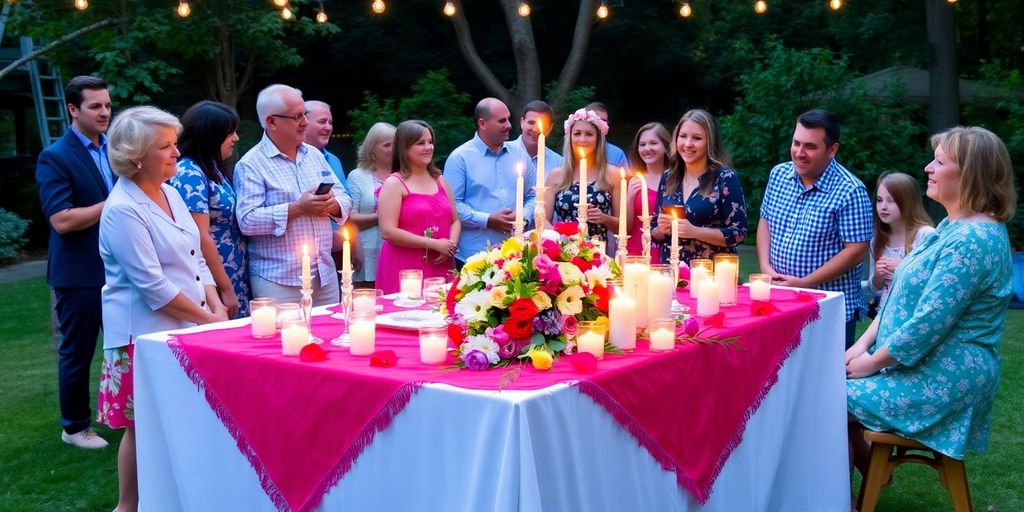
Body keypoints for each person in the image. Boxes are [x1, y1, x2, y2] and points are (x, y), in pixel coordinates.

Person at [846, 126, 1016, 475]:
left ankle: (834, 497)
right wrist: (859, 347)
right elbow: (898, 298)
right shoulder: (952, 228)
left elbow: (929, 322)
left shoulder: (972, 240)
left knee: (823, 398)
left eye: (939, 162)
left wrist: (871, 362)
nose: (928, 168)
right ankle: (865, 481)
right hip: (918, 367)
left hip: (939, 380)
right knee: (824, 391)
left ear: (969, 174)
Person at [98, 106, 228, 512]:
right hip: (142, 335)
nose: (177, 153)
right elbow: (153, 286)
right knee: (142, 427)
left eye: (175, 143)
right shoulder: (123, 209)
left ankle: (175, 497)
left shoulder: (170, 191)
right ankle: (127, 506)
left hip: (188, 325)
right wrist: (210, 321)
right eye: (165, 146)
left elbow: (196, 257)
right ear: (136, 156)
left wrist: (215, 302)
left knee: (183, 419)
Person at [35, 75, 113, 449]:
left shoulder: (114, 148)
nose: (104, 112)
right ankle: (75, 427)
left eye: (108, 105)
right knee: (78, 352)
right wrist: (114, 204)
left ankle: (126, 413)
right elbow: (61, 220)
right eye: (95, 106)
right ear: (72, 109)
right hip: (79, 273)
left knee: (125, 347)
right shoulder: (56, 156)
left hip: (119, 268)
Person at [757, 109, 872, 348]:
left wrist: (804, 282)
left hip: (826, 309)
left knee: (824, 373)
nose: (799, 153)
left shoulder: (850, 190)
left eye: (810, 146)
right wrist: (766, 267)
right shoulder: (778, 175)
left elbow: (856, 251)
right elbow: (765, 222)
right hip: (779, 300)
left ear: (832, 150)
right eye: (796, 143)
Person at [235, 84, 352, 306]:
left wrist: (330, 204)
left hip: (325, 275)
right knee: (286, 331)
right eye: (297, 116)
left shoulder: (314, 155)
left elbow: (345, 199)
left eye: (305, 114)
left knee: (330, 329)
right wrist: (298, 208)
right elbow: (247, 221)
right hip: (279, 280)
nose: (305, 122)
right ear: (271, 122)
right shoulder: (251, 164)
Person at [168, 100, 251, 319]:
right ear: (210, 135)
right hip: (214, 280)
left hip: (233, 273)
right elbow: (200, 236)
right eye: (230, 133)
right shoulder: (190, 173)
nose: (236, 138)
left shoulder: (212, 167)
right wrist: (225, 288)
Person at [445, 97, 533, 265]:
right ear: (482, 123)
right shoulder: (459, 158)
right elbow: (452, 206)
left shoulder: (519, 154)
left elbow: (534, 195)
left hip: (515, 257)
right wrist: (487, 220)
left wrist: (524, 216)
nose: (509, 125)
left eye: (508, 119)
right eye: (502, 121)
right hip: (474, 259)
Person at [652, 110, 747, 264]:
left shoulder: (725, 178)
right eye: (683, 136)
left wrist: (695, 232)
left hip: (710, 271)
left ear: (710, 142)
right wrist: (661, 229)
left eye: (697, 138)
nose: (688, 144)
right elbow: (654, 231)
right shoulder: (668, 177)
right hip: (671, 270)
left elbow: (739, 233)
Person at [376, 120, 461, 293]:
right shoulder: (394, 183)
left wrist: (449, 246)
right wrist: (433, 244)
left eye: (430, 142)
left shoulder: (440, 180)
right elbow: (387, 231)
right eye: (421, 143)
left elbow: (455, 221)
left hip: (441, 260)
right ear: (404, 148)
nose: (428, 147)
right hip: (406, 265)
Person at [545, 107, 623, 243]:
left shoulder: (613, 174)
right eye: (577, 133)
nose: (582, 139)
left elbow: (623, 226)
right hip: (564, 249)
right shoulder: (556, 175)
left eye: (589, 134)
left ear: (598, 139)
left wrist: (605, 218)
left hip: (598, 250)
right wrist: (559, 240)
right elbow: (543, 219)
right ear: (569, 137)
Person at [866, 171, 935, 308]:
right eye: (879, 200)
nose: (883, 206)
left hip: (916, 311)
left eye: (891, 200)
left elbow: (935, 282)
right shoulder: (877, 240)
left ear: (908, 202)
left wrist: (903, 267)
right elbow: (876, 289)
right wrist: (878, 276)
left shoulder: (926, 235)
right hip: (886, 312)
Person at [347, 122, 396, 287]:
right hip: (367, 253)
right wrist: (384, 216)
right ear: (372, 148)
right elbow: (350, 217)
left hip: (398, 251)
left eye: (395, 144)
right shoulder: (357, 176)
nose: (392, 149)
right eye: (386, 145)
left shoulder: (404, 174)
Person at [626, 122, 670, 262]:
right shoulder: (634, 180)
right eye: (642, 144)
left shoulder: (676, 181)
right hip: (636, 251)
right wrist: (629, 198)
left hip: (667, 251)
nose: (647, 148)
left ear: (666, 147)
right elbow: (626, 227)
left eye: (653, 143)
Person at [304, 100, 350, 194]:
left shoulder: (333, 160)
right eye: (322, 122)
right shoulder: (289, 158)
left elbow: (346, 196)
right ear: (304, 122)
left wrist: (336, 201)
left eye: (330, 122)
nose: (328, 128)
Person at [512, 100, 564, 176]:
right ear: (522, 122)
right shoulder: (504, 152)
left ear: (550, 128)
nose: (535, 129)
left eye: (542, 125)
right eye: (531, 123)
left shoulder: (558, 163)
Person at [586, 101, 630, 169]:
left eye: (604, 120)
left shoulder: (617, 154)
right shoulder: (574, 149)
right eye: (596, 119)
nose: (600, 123)